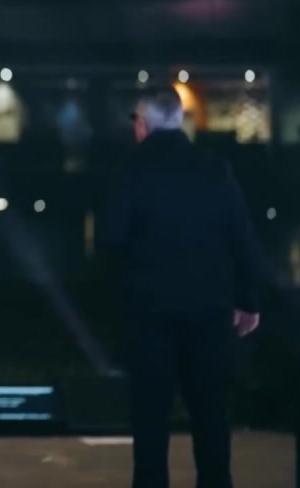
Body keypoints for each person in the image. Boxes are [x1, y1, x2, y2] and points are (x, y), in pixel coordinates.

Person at [97, 86, 262, 488]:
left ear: (142, 124)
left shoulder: (130, 170)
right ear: (179, 120)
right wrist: (247, 301)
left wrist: (120, 299)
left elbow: (110, 243)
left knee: (150, 422)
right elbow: (241, 237)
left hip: (149, 314)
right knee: (211, 417)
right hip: (209, 310)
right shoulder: (215, 168)